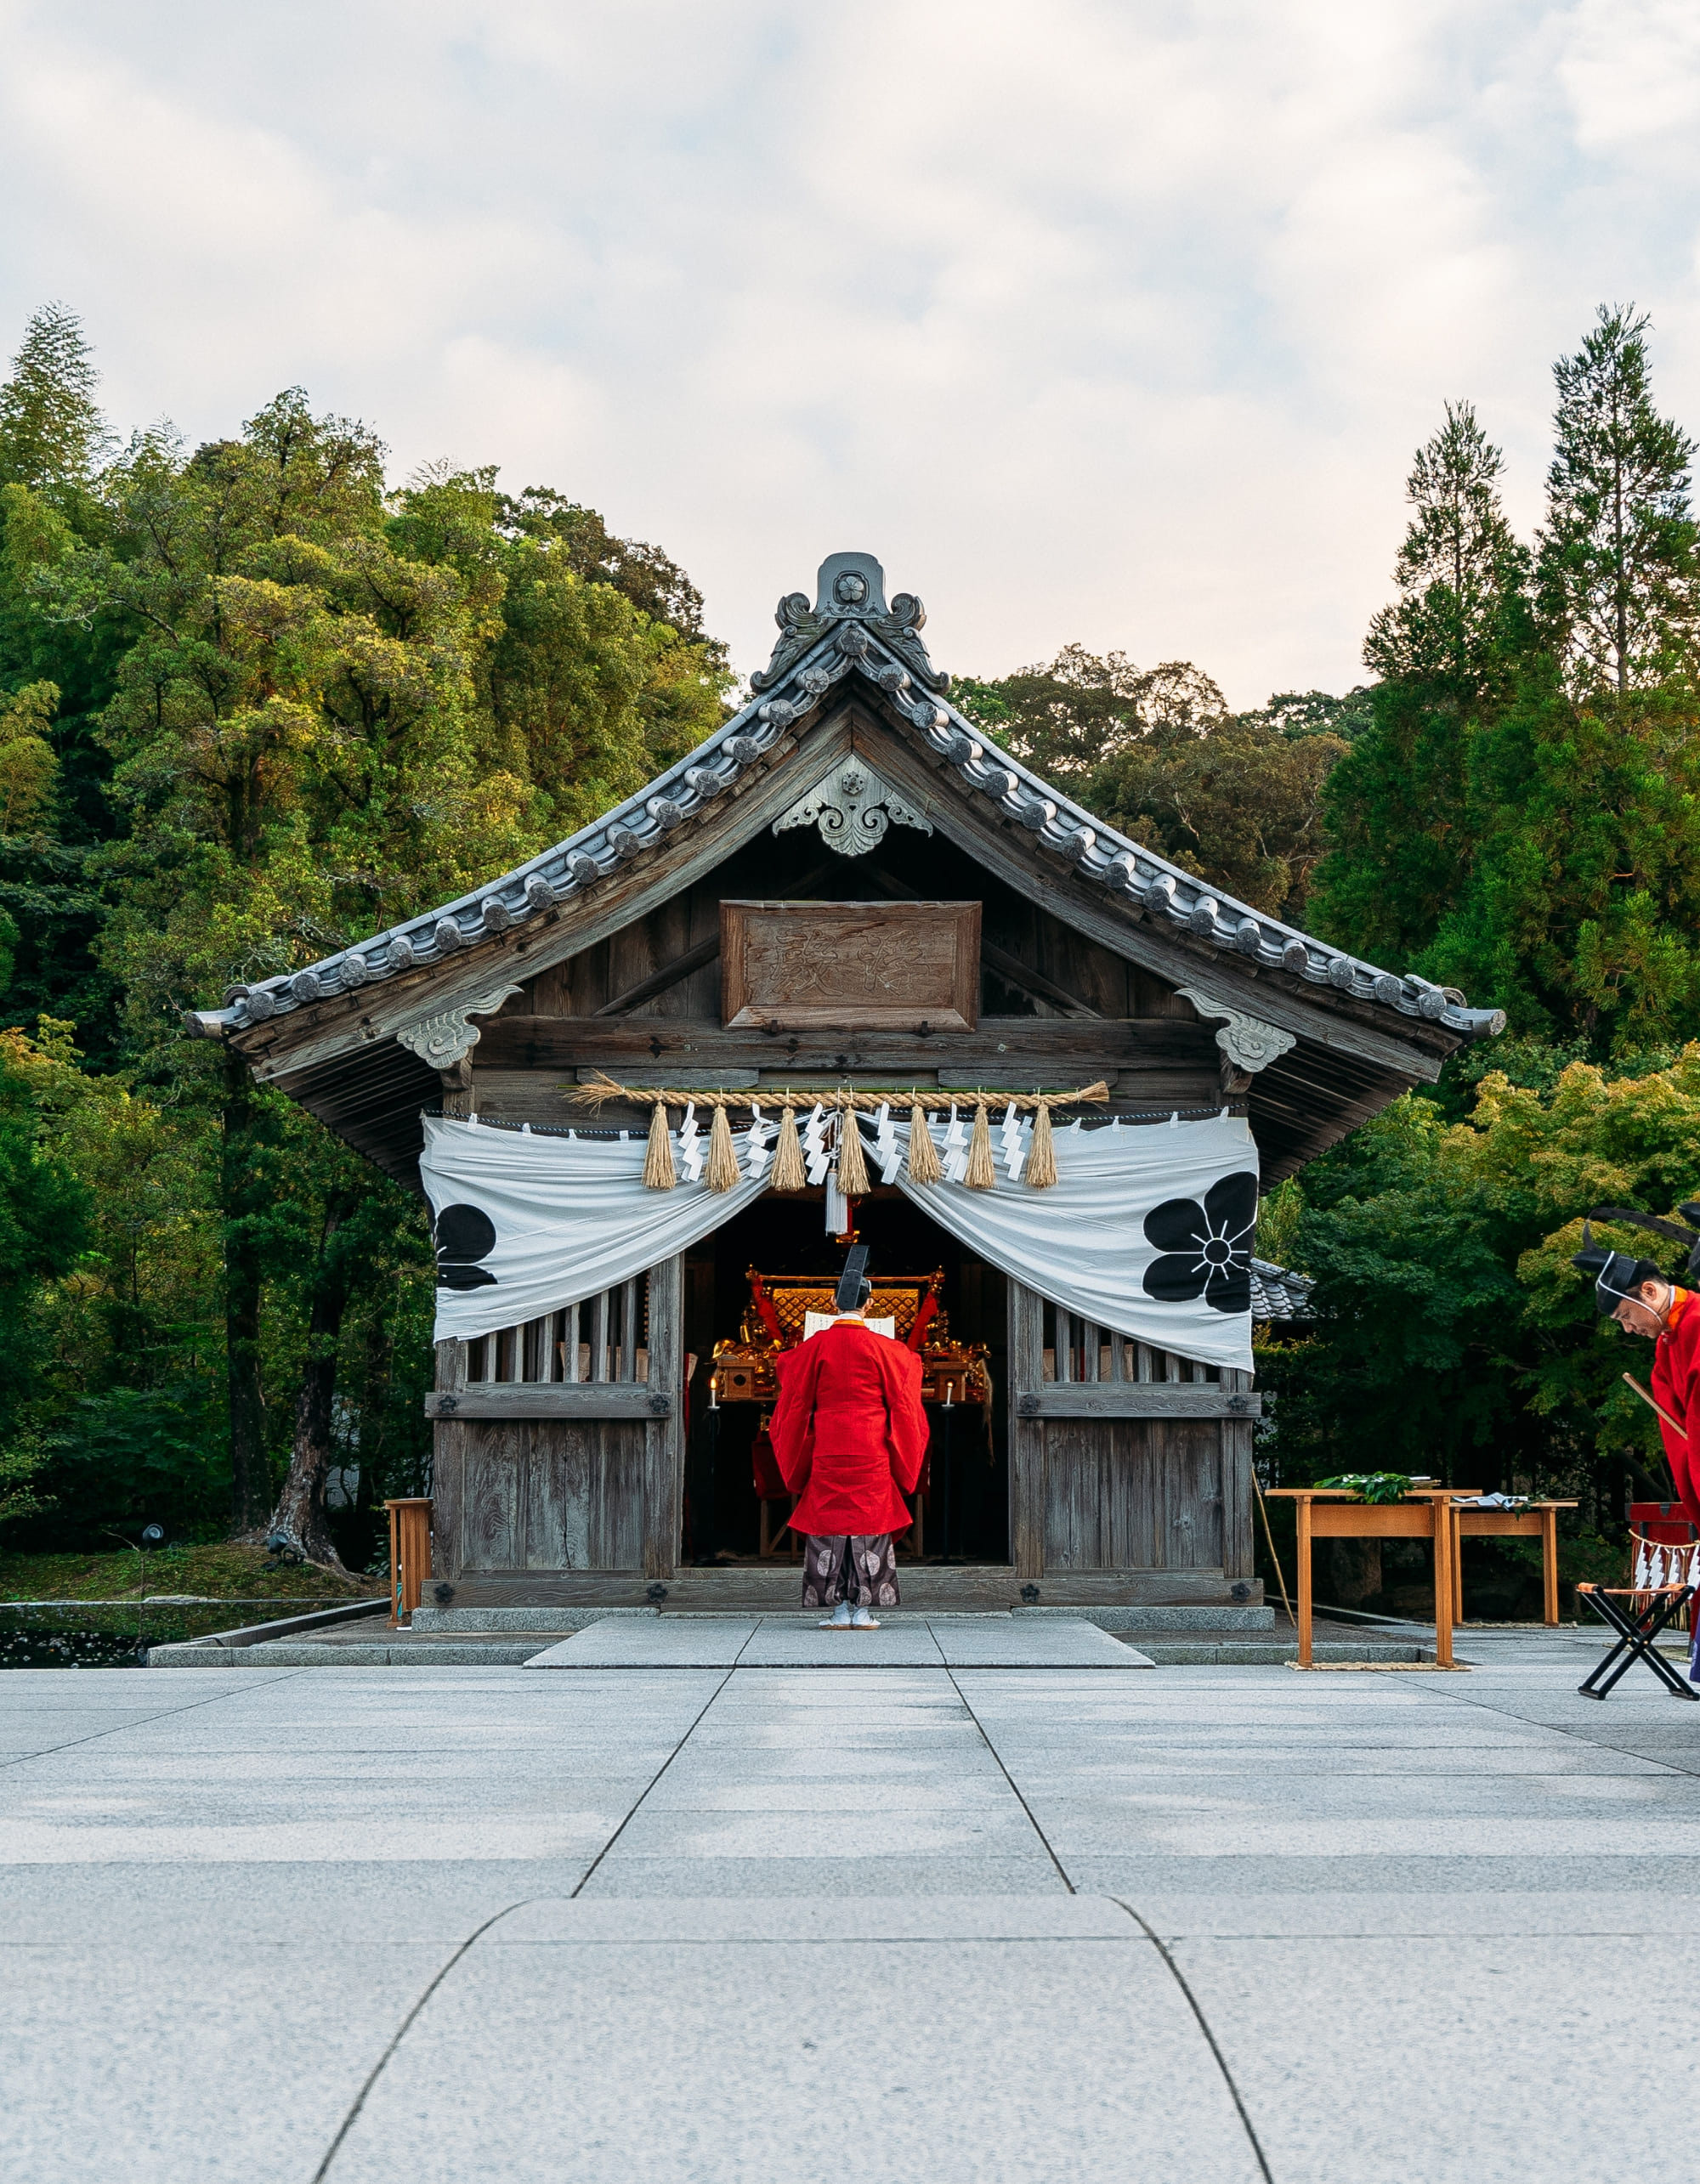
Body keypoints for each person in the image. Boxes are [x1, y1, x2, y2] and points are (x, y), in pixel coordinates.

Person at [769, 1245, 930, 1629]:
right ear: (870, 1304)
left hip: (828, 1446)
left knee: (830, 1526)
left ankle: (838, 1611)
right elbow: (906, 1402)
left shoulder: (812, 1348)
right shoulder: (889, 1350)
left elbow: (790, 1388)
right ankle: (863, 1611)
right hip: (871, 1447)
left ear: (830, 1302)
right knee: (869, 1524)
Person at [1573, 1226, 1700, 1531]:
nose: (1628, 1329)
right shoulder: (1668, 1343)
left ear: (1649, 1292)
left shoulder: (1696, 1321)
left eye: (1626, 1316)